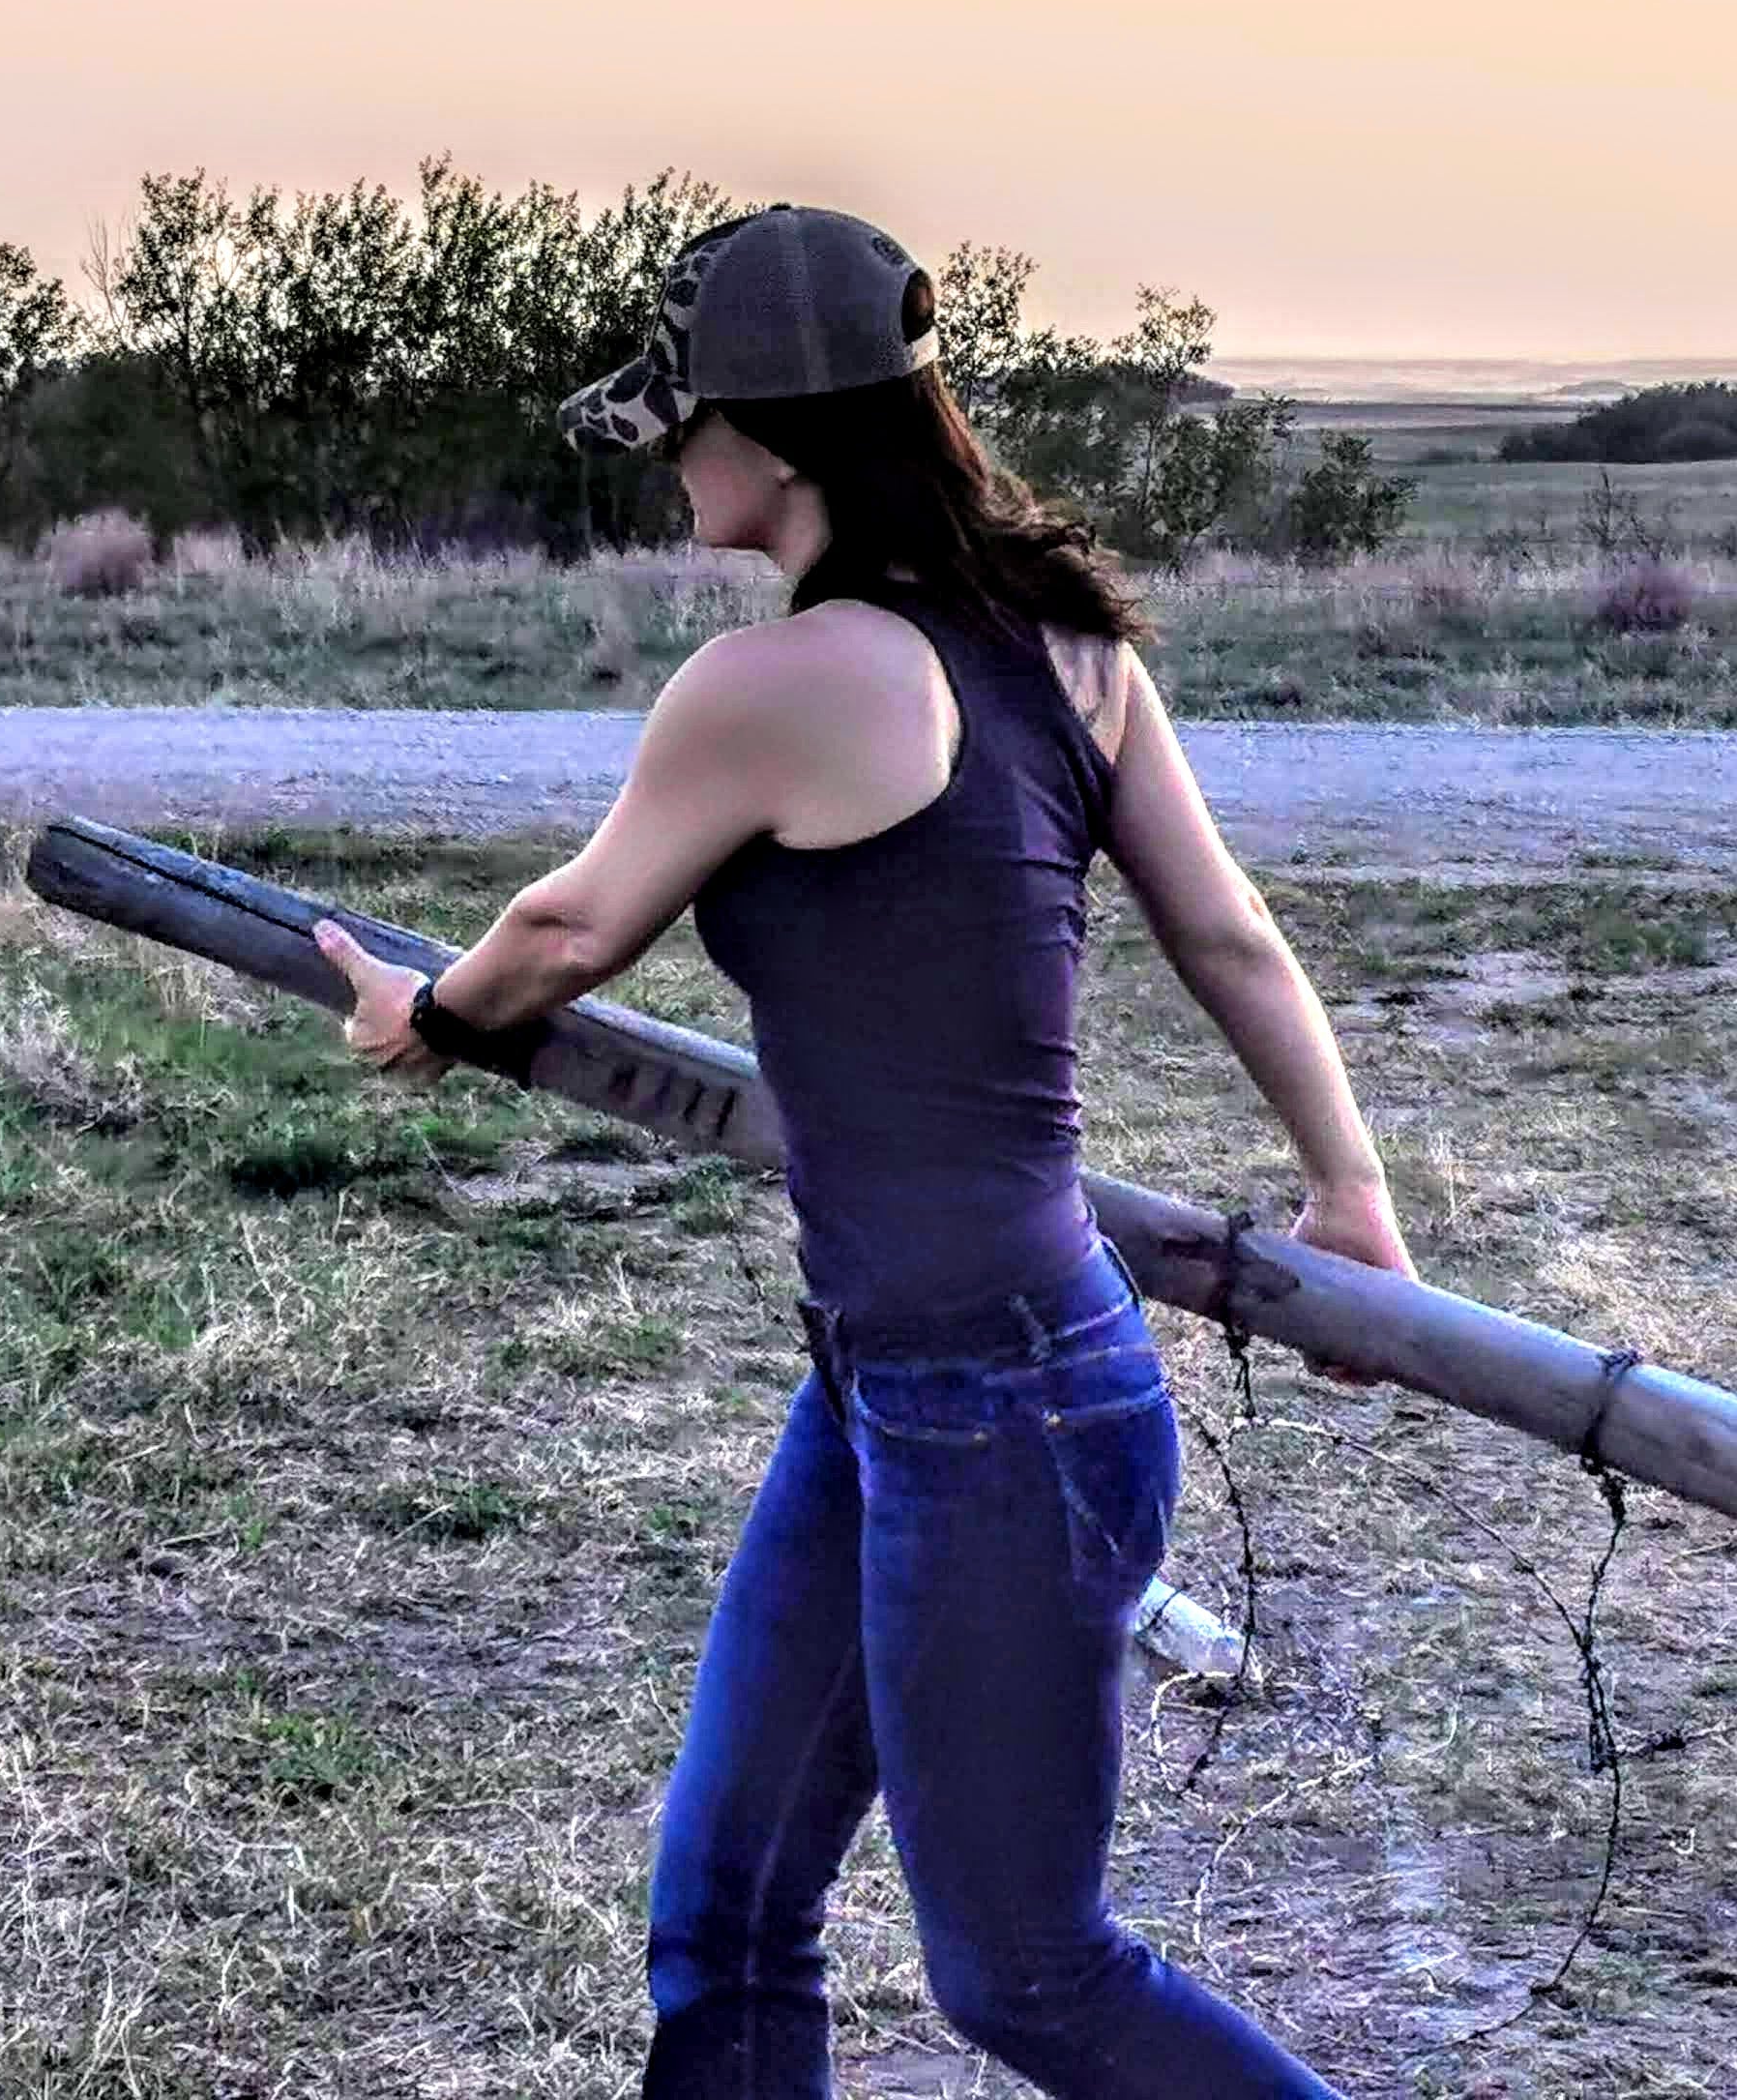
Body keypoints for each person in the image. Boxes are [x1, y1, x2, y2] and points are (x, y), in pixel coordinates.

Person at [309, 204, 1417, 2097]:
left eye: (685, 424)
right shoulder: (1062, 650)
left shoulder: (779, 684)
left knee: (1028, 1981)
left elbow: (570, 934)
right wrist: (1351, 1190)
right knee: (728, 1910)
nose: (669, 461)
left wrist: (427, 1018)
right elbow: (1227, 931)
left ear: (775, 442)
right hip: (917, 1386)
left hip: (996, 1415)